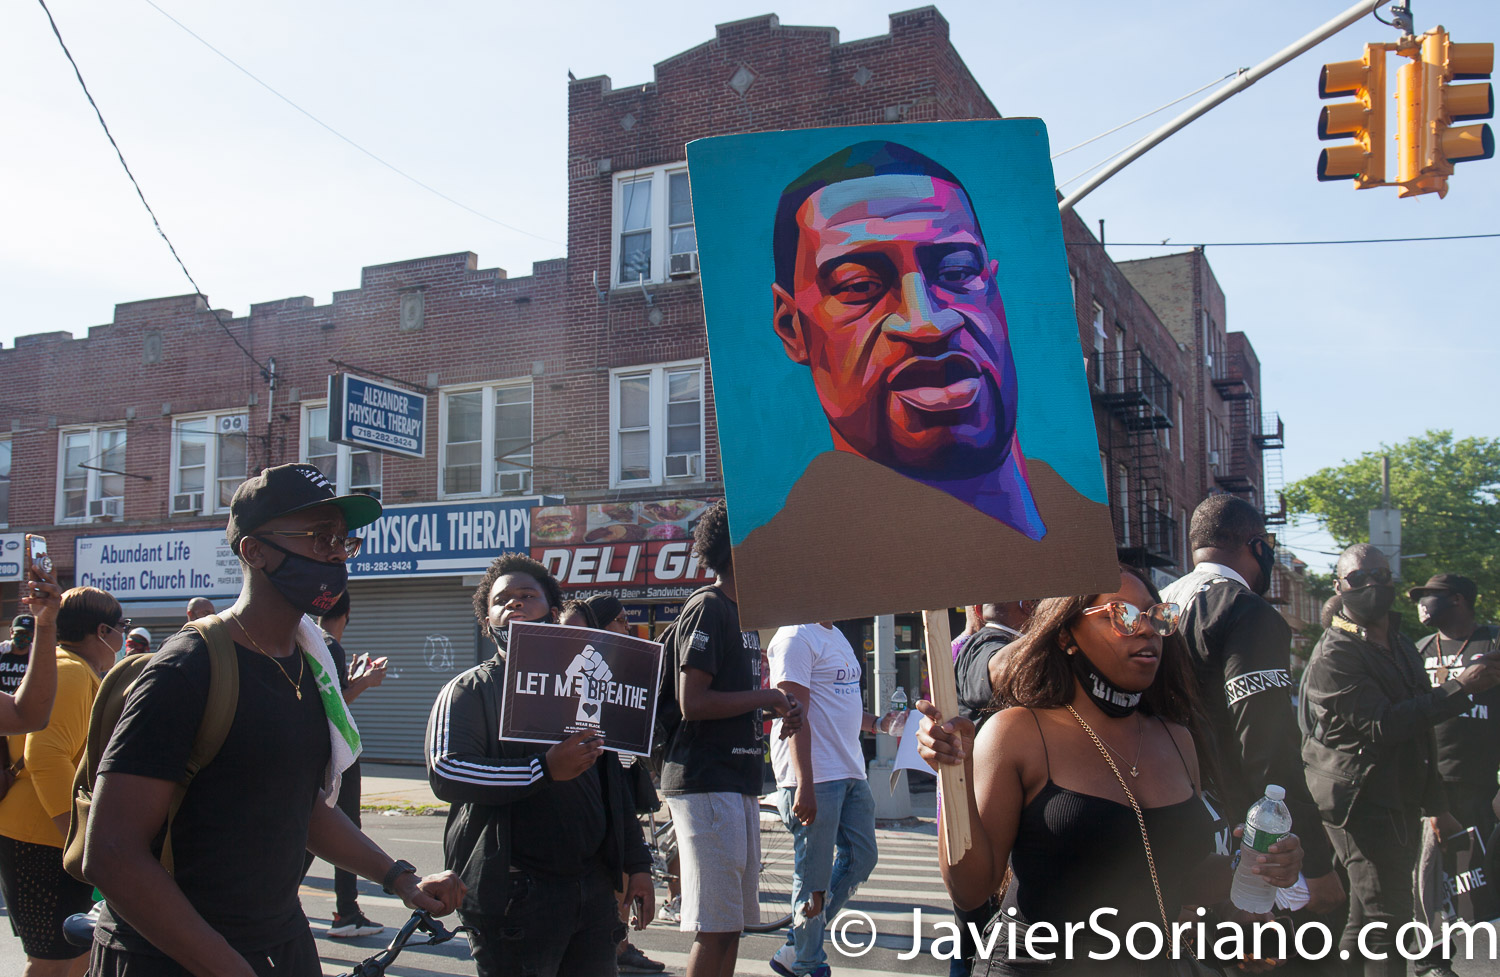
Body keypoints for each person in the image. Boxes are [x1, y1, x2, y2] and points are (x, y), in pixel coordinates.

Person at [83, 464, 463, 976]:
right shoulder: (187, 669)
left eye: (342, 540)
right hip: (170, 956)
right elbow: (112, 854)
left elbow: (300, 806)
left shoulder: (311, 665)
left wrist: (401, 879)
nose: (336, 553)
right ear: (254, 551)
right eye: (318, 536)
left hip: (281, 943)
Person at [735, 141, 1114, 627]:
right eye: (859, 286)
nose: (927, 323)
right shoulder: (780, 567)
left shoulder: (1089, 546)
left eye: (957, 272)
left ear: (995, 290)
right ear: (792, 327)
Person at [917, 565, 1305, 974]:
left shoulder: (1177, 738)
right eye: (1123, 615)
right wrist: (953, 775)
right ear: (1065, 635)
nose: (1148, 629)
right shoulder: (1016, 733)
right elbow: (971, 890)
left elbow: (1175, 874)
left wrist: (1252, 866)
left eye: (1157, 616)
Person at [427, 552, 655, 977]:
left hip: (592, 893)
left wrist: (638, 865)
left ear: (553, 613)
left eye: (527, 596)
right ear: (487, 621)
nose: (513, 603)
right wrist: (543, 769)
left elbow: (614, 786)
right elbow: (447, 771)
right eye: (501, 600)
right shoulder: (470, 690)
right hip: (515, 896)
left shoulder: (585, 690)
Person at [1300, 545, 1500, 977]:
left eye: (1380, 575)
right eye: (1358, 578)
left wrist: (1436, 807)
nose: (1372, 584)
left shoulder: (1400, 643)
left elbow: (1421, 734)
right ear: (1339, 587)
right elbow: (1385, 724)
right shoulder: (1335, 653)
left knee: (1367, 918)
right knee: (1387, 921)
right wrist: (1462, 687)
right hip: (1358, 802)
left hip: (1398, 797)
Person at [1159, 496, 1343, 920]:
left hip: (1167, 818)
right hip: (1233, 836)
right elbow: (1266, 745)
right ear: (1256, 545)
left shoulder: (1161, 604)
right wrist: (1315, 864)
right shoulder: (1246, 610)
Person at [659, 499, 803, 977]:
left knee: (732, 925)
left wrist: (777, 707)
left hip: (736, 781)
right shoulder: (709, 607)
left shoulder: (743, 617)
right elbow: (693, 702)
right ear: (741, 548)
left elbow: (734, 701)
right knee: (714, 926)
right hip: (705, 780)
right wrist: (767, 696)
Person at [0, 586, 111, 977]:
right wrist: (77, 836)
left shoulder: (72, 669)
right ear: (103, 631)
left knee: (78, 953)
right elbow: (44, 756)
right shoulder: (70, 671)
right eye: (123, 626)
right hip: (43, 837)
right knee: (53, 961)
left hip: (47, 835)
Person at [553, 595, 666, 974]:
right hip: (586, 791)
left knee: (622, 864)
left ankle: (618, 943)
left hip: (619, 785)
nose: (626, 626)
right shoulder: (573, 671)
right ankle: (615, 943)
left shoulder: (619, 667)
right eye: (618, 619)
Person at [766, 621, 882, 977]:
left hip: (850, 769)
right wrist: (804, 783)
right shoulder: (795, 636)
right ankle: (807, 963)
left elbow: (836, 706)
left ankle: (798, 943)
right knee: (813, 878)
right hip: (816, 776)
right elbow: (793, 714)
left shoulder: (835, 634)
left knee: (862, 857)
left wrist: (878, 724)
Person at [1408, 573, 1499, 977]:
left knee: (1483, 881)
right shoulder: (1418, 650)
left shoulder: (1493, 642)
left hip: (1481, 785)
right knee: (1429, 876)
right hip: (1430, 783)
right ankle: (1433, 961)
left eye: (1429, 596)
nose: (1421, 604)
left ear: (1458, 600)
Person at [315, 590, 390, 939]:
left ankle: (343, 910)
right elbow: (331, 705)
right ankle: (347, 912)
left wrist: (353, 678)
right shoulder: (330, 646)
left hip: (323, 752)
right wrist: (366, 683)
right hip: (336, 752)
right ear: (346, 613)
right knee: (345, 828)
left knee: (319, 823)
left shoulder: (316, 642)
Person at [953, 601, 1032, 726]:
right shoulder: (984, 645)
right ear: (1028, 605)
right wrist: (1049, 628)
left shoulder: (978, 644)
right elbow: (999, 668)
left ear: (978, 610)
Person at [0, 614, 35, 694]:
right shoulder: (1, 651)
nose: (23, 638)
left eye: (27, 634)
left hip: (25, 700)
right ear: (11, 632)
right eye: (19, 633)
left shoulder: (37, 657)